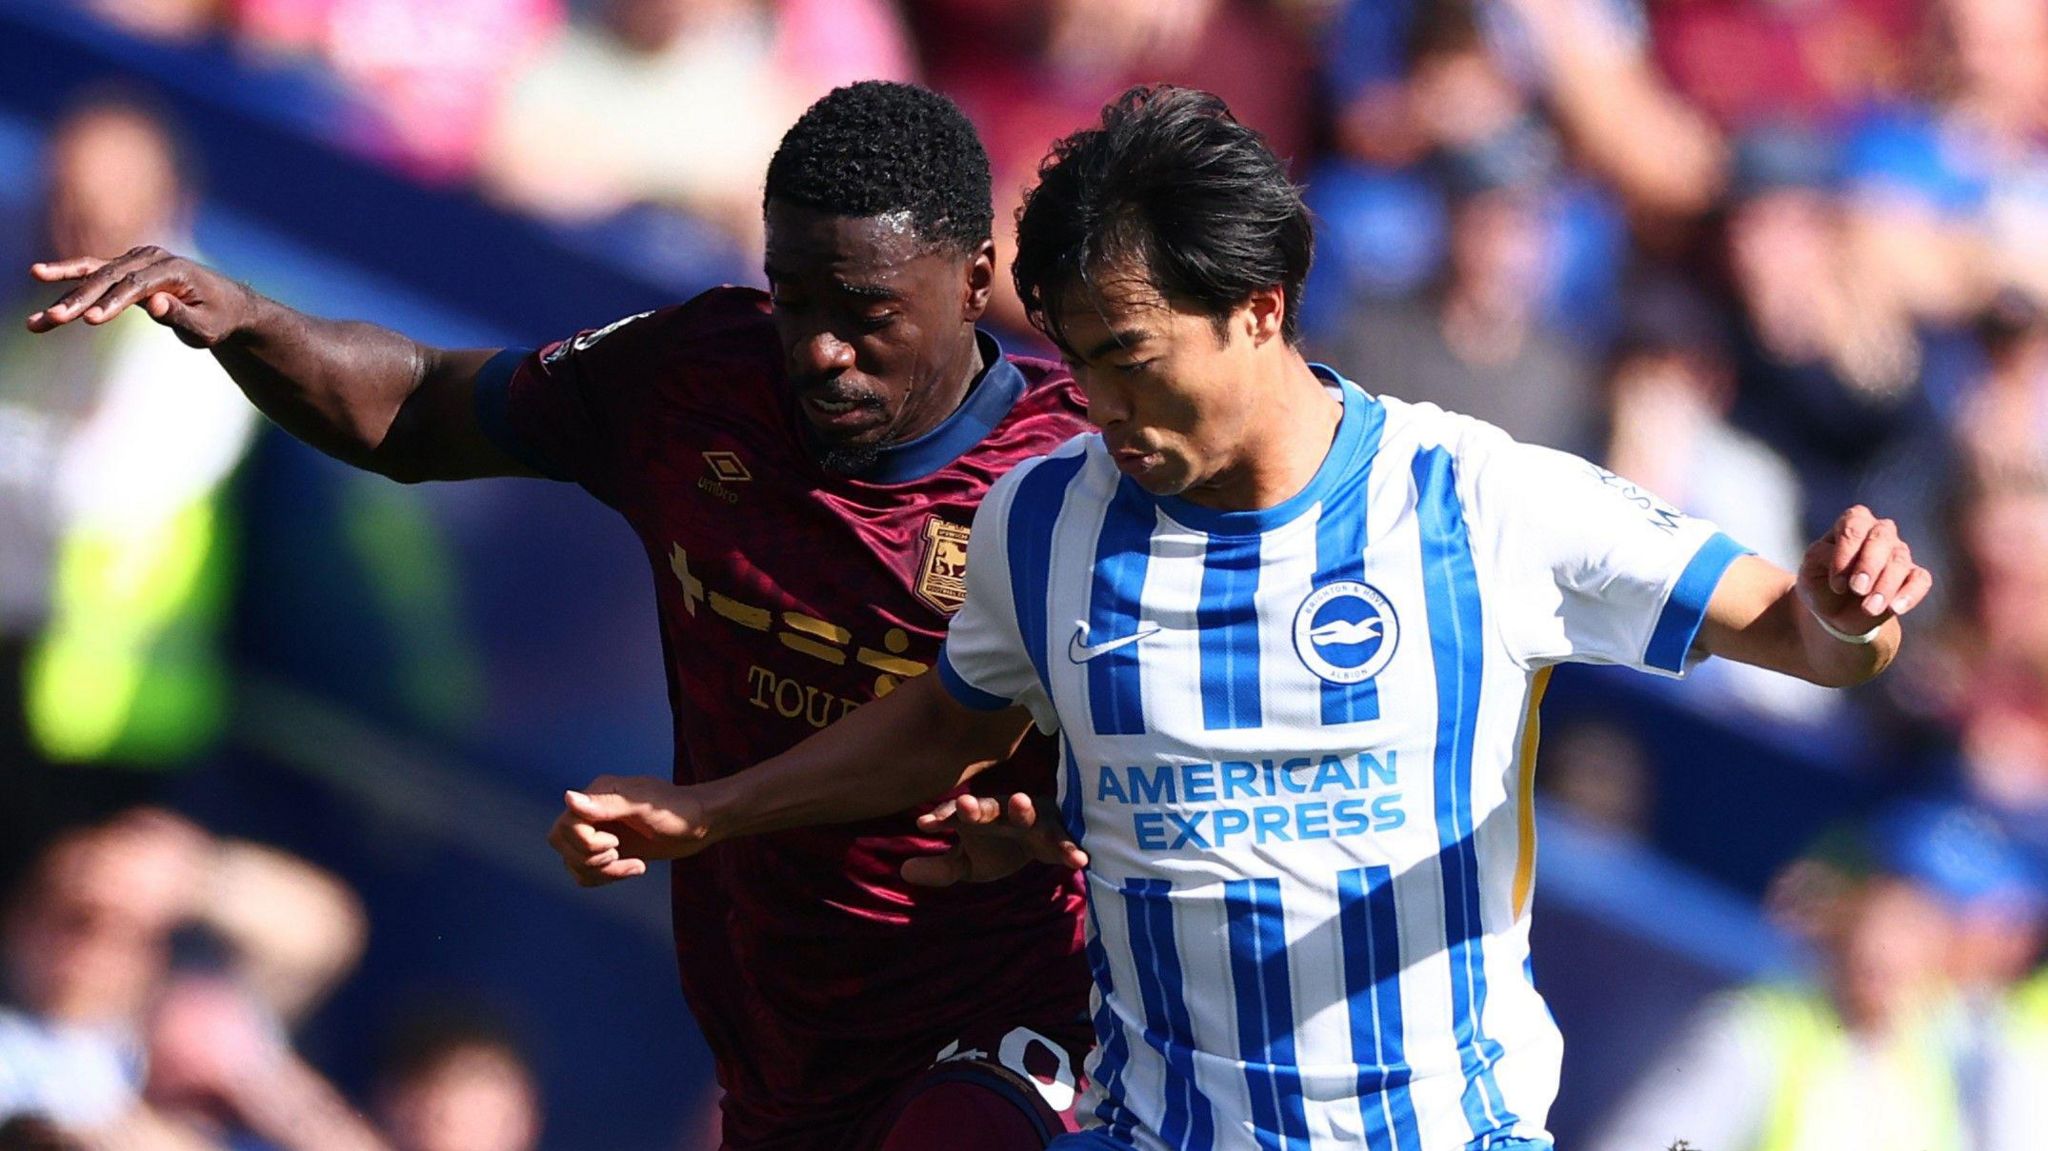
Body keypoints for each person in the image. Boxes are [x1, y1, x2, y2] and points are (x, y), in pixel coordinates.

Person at [547, 86, 1934, 1151]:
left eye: (1132, 359)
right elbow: (938, 729)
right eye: (1079, 359)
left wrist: (1847, 610)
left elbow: (1803, 635)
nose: (1097, 402)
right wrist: (711, 810)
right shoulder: (1045, 521)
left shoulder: (1476, 504)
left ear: (1260, 308)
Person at [26, 82, 1096, 1150]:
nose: (819, 347)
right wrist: (249, 320)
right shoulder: (697, 379)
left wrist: (1079, 824)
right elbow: (416, 405)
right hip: (779, 1036)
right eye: (793, 298)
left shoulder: (1076, 477)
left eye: (865, 314)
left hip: (1006, 1018)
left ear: (971, 281)